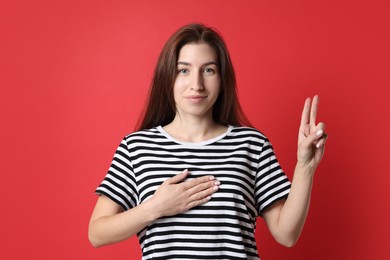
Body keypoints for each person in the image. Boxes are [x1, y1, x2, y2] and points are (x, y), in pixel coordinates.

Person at [88, 23, 327, 260]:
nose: (197, 84)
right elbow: (97, 233)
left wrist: (305, 167)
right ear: (167, 77)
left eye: (208, 70)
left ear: (223, 78)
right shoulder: (136, 147)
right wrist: (156, 207)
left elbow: (286, 234)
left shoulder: (252, 145)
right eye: (183, 70)